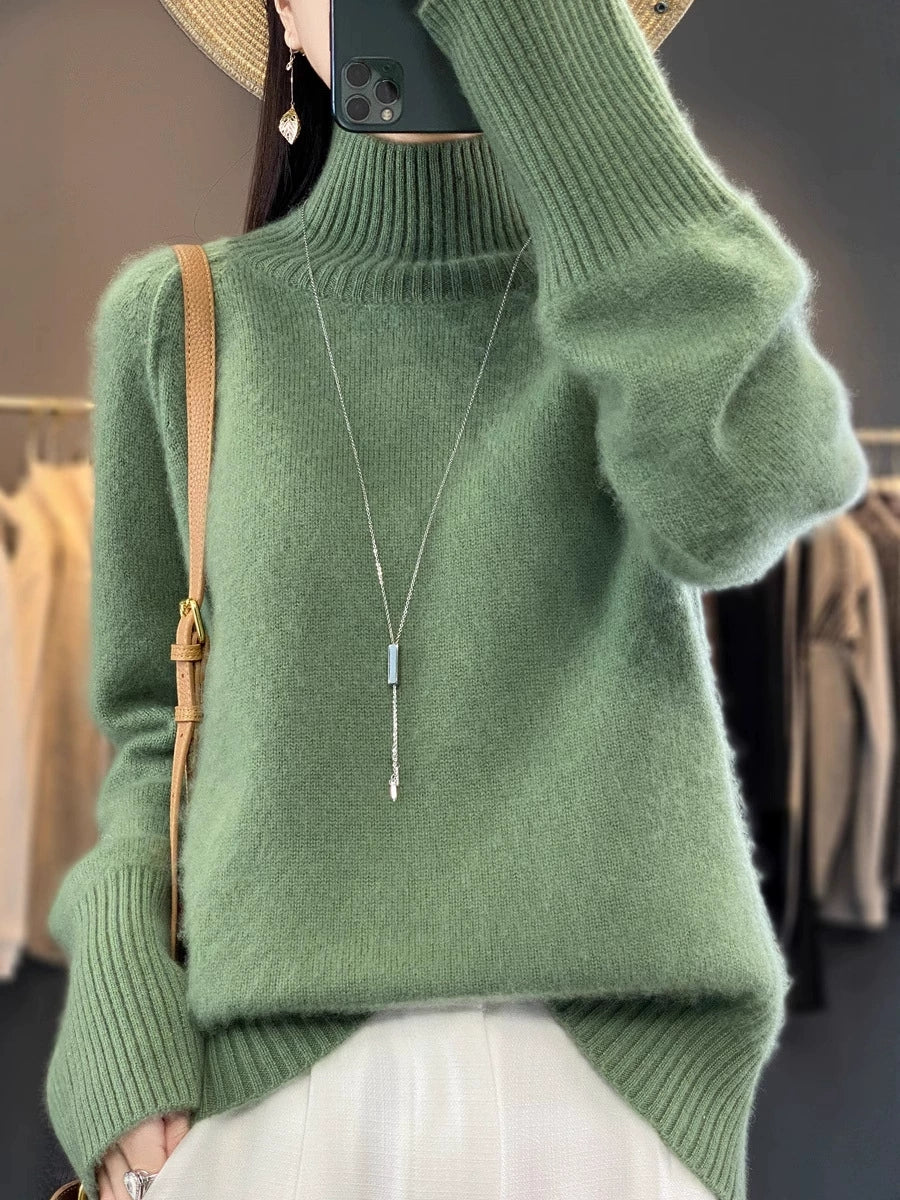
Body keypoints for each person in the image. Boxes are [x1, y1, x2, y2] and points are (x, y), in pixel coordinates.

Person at [44, 0, 870, 1198]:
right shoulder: (181, 323)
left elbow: (750, 489)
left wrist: (550, 56)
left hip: (609, 1082)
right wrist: (123, 1008)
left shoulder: (637, 311)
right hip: (266, 1089)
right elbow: (147, 723)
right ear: (280, 14)